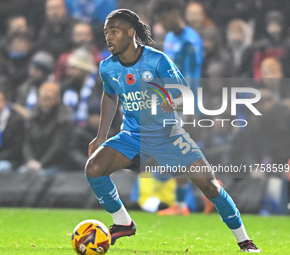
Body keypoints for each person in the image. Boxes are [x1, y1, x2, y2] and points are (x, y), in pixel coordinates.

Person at [84, 9, 260, 252]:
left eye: (114, 32)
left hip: (169, 136)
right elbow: (110, 95)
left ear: (130, 32)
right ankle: (123, 223)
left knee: (210, 186)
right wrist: (101, 136)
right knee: (94, 169)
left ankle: (244, 240)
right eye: (106, 33)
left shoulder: (157, 60)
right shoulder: (107, 67)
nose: (109, 37)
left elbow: (185, 94)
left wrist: (174, 103)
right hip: (133, 136)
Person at [152, 0, 203, 216]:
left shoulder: (190, 41)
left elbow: (193, 77)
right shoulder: (171, 38)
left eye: (163, 18)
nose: (161, 24)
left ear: (173, 14)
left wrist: (188, 108)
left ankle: (182, 205)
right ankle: (201, 195)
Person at [21, 82, 72, 176]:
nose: (45, 102)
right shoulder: (33, 117)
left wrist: (41, 163)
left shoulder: (63, 119)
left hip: (55, 164)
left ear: (57, 99)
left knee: (41, 175)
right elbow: (26, 143)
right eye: (42, 98)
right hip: (33, 162)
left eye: (48, 99)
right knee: (20, 173)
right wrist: (30, 160)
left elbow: (58, 146)